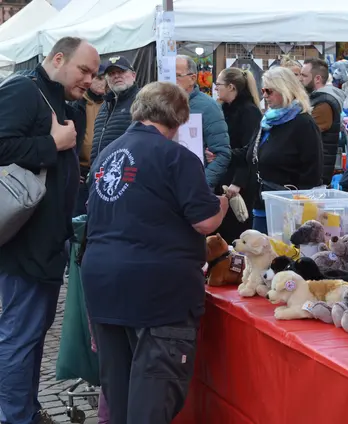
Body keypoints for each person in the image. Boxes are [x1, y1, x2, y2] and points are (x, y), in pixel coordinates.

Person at [81, 82, 228, 424]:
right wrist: (221, 205)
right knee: (151, 401)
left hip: (103, 283)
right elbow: (205, 222)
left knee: (119, 399)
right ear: (179, 118)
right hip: (157, 292)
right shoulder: (177, 156)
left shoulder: (108, 152)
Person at [0, 36, 100, 424]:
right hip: (24, 242)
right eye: (84, 70)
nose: (89, 80)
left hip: (45, 241)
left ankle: (25, 409)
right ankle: (15, 416)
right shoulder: (23, 90)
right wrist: (51, 143)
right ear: (58, 59)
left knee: (33, 334)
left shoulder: (57, 98)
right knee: (20, 335)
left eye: (93, 73)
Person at [240, 66, 323, 234]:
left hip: (289, 210)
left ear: (284, 89)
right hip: (261, 204)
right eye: (263, 90)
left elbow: (313, 172)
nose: (265, 96)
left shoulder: (303, 123)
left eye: (269, 91)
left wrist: (298, 206)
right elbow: (251, 152)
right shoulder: (268, 121)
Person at [213, 67, 262, 243]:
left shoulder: (249, 111)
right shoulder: (224, 109)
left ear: (231, 87)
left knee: (236, 232)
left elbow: (250, 151)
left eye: (219, 84)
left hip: (239, 182)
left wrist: (238, 182)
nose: (216, 88)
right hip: (224, 176)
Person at [176, 55, 231, 189]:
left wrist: (201, 185)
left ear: (192, 78)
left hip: (193, 188)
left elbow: (222, 154)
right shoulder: (160, 105)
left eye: (177, 75)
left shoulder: (208, 107)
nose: (171, 80)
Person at [89, 56, 139, 177]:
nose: (116, 76)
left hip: (127, 175)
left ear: (133, 75)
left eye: (121, 71)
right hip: (101, 175)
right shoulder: (104, 105)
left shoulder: (143, 100)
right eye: (111, 74)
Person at [300, 57, 346, 186]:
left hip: (315, 175)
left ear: (317, 79)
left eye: (304, 75)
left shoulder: (324, 103)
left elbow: (304, 134)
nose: (300, 79)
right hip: (312, 171)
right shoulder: (317, 99)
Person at [72, 68, 108, 216]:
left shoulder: (111, 103)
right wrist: (73, 169)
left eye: (104, 78)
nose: (102, 82)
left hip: (105, 171)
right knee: (79, 217)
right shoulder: (76, 104)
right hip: (82, 171)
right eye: (98, 78)